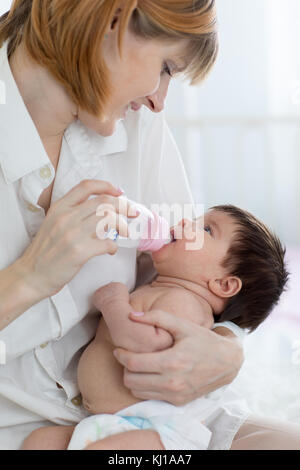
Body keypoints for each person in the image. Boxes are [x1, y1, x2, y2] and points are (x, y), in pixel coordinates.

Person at [0, 0, 299, 451]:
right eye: (165, 67)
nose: (160, 102)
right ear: (112, 20)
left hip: (168, 416)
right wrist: (28, 278)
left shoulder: (137, 122)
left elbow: (196, 273)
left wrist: (225, 347)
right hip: (22, 425)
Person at [20, 205, 294, 450]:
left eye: (206, 228)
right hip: (116, 423)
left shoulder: (184, 303)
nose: (187, 222)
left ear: (223, 284)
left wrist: (113, 302)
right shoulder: (163, 291)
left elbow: (144, 344)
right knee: (39, 442)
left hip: (158, 432)